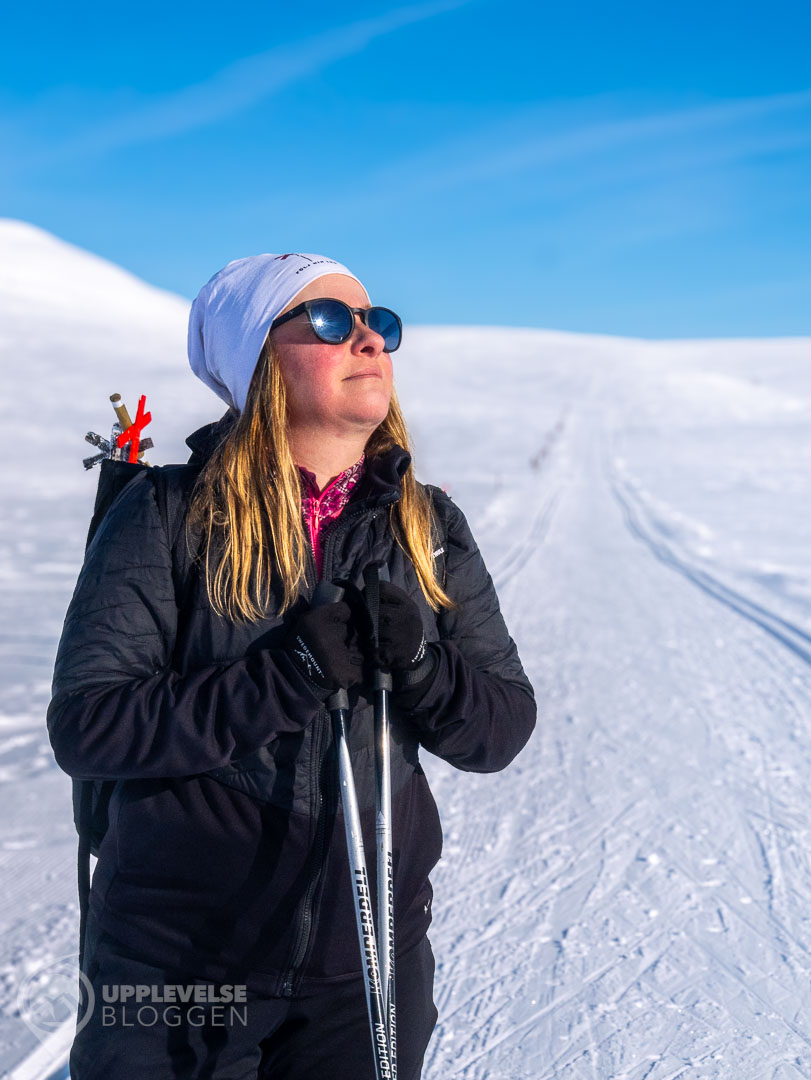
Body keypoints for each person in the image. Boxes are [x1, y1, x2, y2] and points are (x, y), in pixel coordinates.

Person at [47, 252, 536, 1079]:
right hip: (176, 967)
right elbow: (91, 725)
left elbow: (498, 729)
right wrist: (290, 675)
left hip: (367, 965)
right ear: (256, 358)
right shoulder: (168, 513)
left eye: (378, 324)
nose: (369, 342)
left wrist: (420, 661)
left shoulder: (425, 524)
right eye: (332, 322)